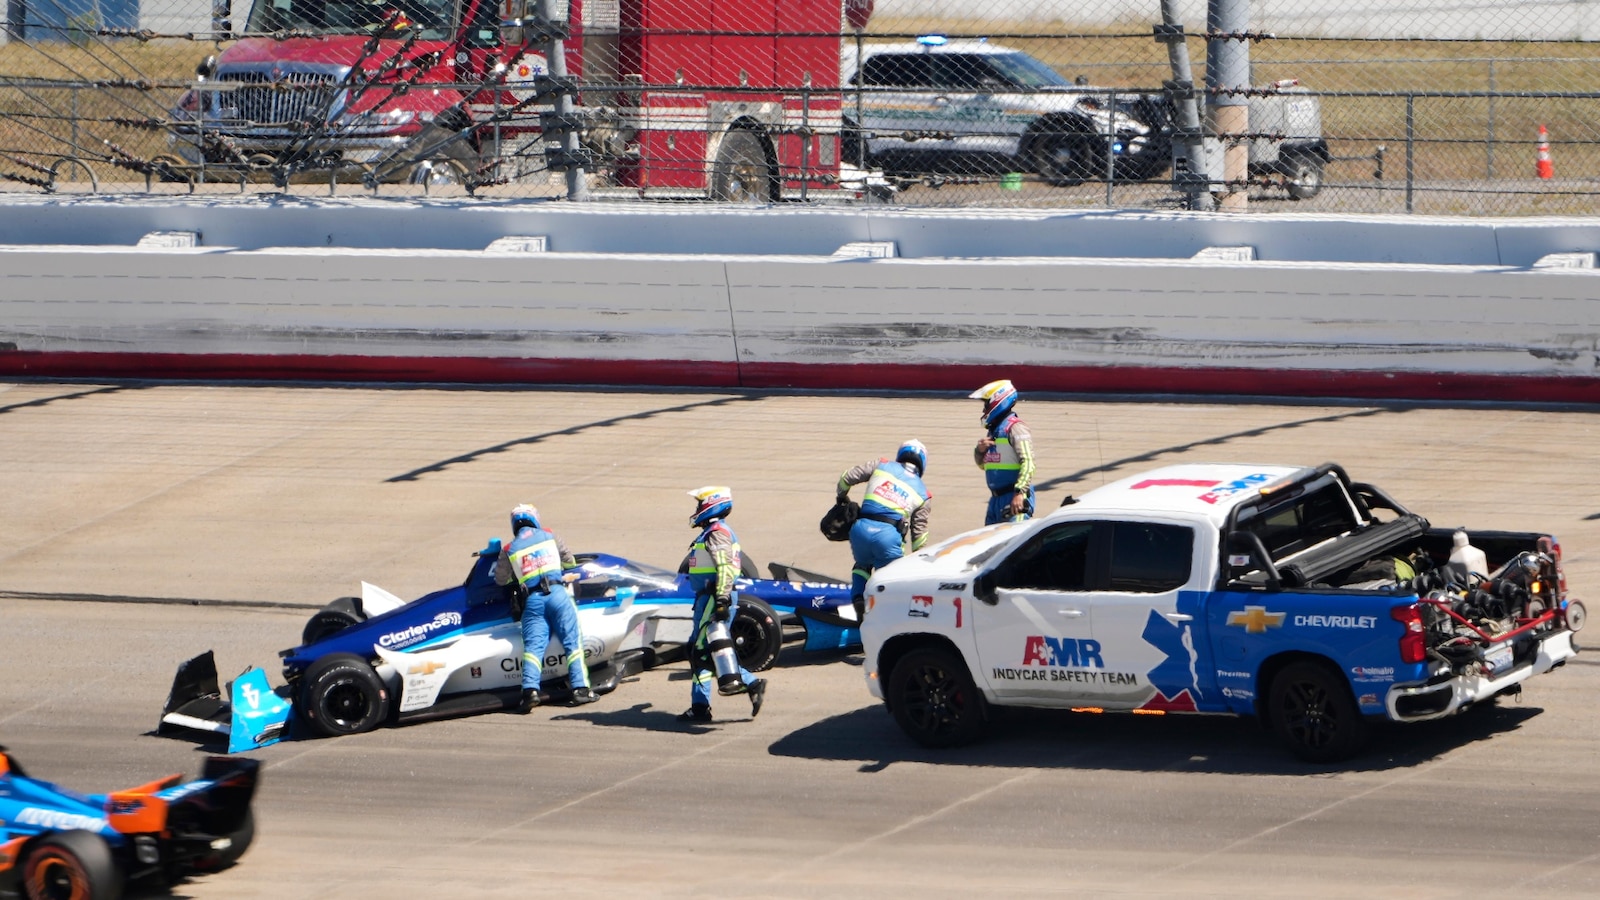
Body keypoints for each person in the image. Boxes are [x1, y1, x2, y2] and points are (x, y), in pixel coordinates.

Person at [494, 504, 598, 713]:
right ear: (535, 519)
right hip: (558, 595)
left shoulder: (508, 548)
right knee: (572, 641)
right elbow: (569, 562)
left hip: (533, 601)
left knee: (533, 648)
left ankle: (530, 692)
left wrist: (519, 574)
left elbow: (500, 580)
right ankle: (580, 689)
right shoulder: (549, 535)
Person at [681, 486, 766, 723]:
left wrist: (721, 600)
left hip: (713, 597)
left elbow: (726, 567)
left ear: (711, 505)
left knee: (700, 651)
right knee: (705, 651)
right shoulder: (712, 531)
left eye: (699, 505)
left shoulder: (717, 532)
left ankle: (702, 707)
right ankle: (747, 685)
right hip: (707, 597)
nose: (697, 510)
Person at [836, 440, 933, 618]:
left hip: (860, 530)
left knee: (862, 565)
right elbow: (919, 536)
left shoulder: (881, 465)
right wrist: (920, 560)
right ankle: (887, 616)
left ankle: (858, 598)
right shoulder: (924, 495)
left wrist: (841, 497)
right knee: (891, 578)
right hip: (888, 537)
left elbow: (847, 477)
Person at [970, 379, 1036, 526]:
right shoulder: (993, 431)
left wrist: (1019, 493)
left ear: (997, 401)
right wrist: (979, 451)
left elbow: (1029, 462)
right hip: (996, 500)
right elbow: (985, 466)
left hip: (1014, 498)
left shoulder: (1015, 428)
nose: (983, 410)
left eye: (986, 405)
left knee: (1011, 544)